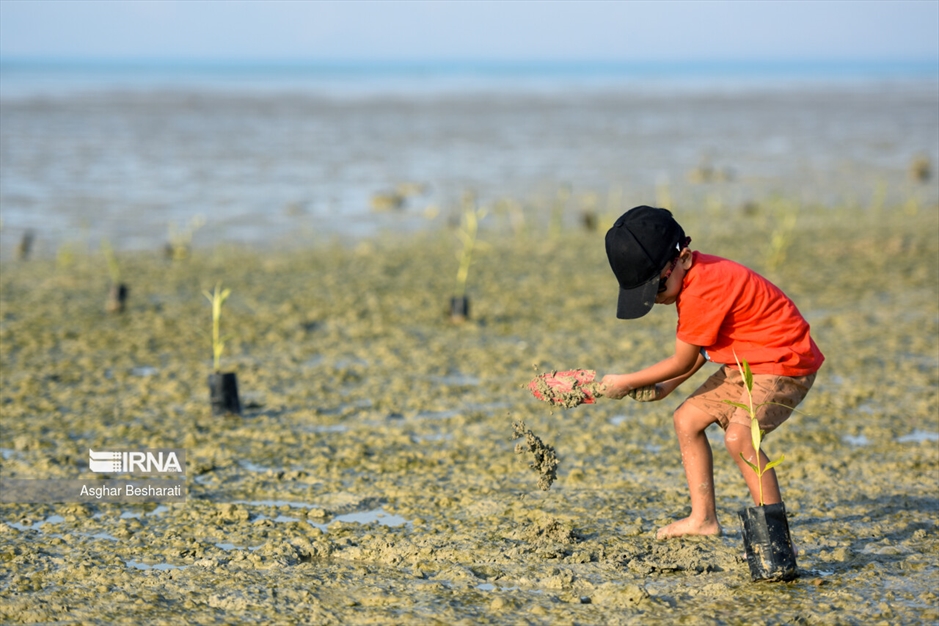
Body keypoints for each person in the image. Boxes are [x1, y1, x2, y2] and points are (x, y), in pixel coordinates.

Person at [600, 205, 823, 540]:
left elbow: (680, 360)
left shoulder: (704, 288)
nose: (655, 299)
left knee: (740, 438)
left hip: (784, 362)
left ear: (684, 258)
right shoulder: (694, 279)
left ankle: (774, 544)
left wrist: (624, 381)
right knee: (686, 420)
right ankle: (703, 520)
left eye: (656, 289)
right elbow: (701, 351)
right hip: (746, 362)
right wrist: (667, 387)